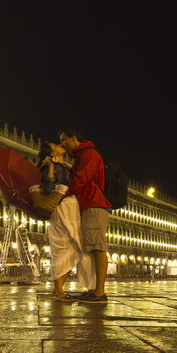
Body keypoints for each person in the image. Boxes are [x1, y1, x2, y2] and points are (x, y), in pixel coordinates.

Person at [59, 124, 110, 304]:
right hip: (87, 205)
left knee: (97, 248)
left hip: (94, 204)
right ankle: (93, 289)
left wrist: (63, 193)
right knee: (90, 247)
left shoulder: (89, 154)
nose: (62, 144)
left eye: (63, 140)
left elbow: (82, 179)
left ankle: (100, 293)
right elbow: (78, 176)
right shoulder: (78, 158)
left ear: (74, 138)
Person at [37, 141, 94, 303]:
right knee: (60, 248)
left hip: (72, 208)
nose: (58, 144)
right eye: (54, 144)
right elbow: (47, 190)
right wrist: (49, 168)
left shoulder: (67, 168)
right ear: (52, 154)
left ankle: (57, 289)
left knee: (76, 247)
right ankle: (60, 292)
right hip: (61, 209)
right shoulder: (51, 167)